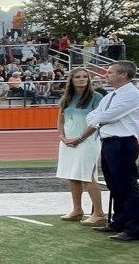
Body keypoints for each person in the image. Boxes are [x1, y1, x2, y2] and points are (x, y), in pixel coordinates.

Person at [78, 60, 139, 242]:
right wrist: (98, 118)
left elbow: (108, 115)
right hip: (108, 141)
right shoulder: (110, 96)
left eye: (110, 72)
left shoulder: (133, 95)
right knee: (114, 185)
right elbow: (92, 116)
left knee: (126, 185)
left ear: (123, 74)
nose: (105, 75)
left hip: (123, 142)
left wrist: (98, 118)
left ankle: (134, 228)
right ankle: (119, 221)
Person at [55, 69, 106, 226]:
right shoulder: (67, 97)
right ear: (71, 79)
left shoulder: (96, 97)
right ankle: (76, 210)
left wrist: (80, 138)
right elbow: (61, 119)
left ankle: (99, 213)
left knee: (87, 176)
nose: (82, 79)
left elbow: (96, 122)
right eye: (77, 77)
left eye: (85, 76)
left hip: (87, 141)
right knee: (73, 176)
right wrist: (62, 137)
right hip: (68, 142)